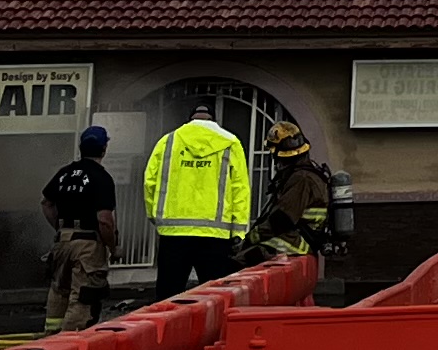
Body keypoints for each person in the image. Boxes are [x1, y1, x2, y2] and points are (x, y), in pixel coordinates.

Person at [138, 109, 250, 295]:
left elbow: (150, 182)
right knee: (215, 297)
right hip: (216, 235)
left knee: (169, 296)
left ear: (189, 119)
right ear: (213, 120)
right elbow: (240, 188)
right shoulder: (230, 142)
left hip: (174, 234)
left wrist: (155, 217)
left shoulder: (168, 141)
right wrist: (238, 231)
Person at [39, 124, 119, 330]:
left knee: (59, 292)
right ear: (103, 149)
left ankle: (51, 342)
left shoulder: (64, 173)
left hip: (61, 242)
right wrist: (113, 246)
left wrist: (60, 228)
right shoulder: (101, 178)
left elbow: (46, 203)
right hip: (87, 246)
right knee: (83, 298)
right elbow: (104, 220)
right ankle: (71, 346)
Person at [249, 119, 332, 266]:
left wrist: (250, 239)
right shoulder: (302, 175)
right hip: (297, 240)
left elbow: (281, 220)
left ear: (279, 155)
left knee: (243, 259)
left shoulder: (301, 179)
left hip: (295, 243)